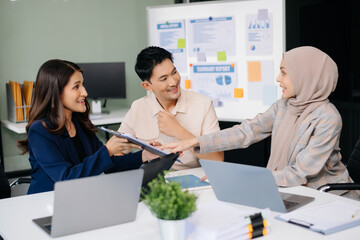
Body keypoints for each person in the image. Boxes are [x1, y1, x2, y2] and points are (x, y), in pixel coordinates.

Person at [162, 46, 360, 200]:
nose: (277, 78)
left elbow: (298, 174)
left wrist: (238, 178)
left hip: (329, 197)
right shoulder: (284, 105)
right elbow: (246, 132)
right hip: (294, 192)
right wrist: (195, 141)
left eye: (284, 72)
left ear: (305, 76)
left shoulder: (328, 117)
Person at [17, 59, 157, 194]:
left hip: (80, 198)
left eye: (83, 85)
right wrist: (107, 151)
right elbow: (66, 179)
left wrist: (144, 155)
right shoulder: (40, 131)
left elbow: (111, 165)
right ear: (57, 93)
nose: (85, 92)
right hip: (45, 204)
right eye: (76, 87)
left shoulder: (79, 122)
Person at [118, 46, 224, 170]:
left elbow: (217, 160)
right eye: (164, 79)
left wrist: (178, 130)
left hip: (190, 181)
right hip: (152, 181)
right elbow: (117, 151)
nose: (173, 82)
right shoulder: (138, 107)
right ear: (147, 86)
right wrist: (146, 155)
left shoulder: (203, 105)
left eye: (174, 72)